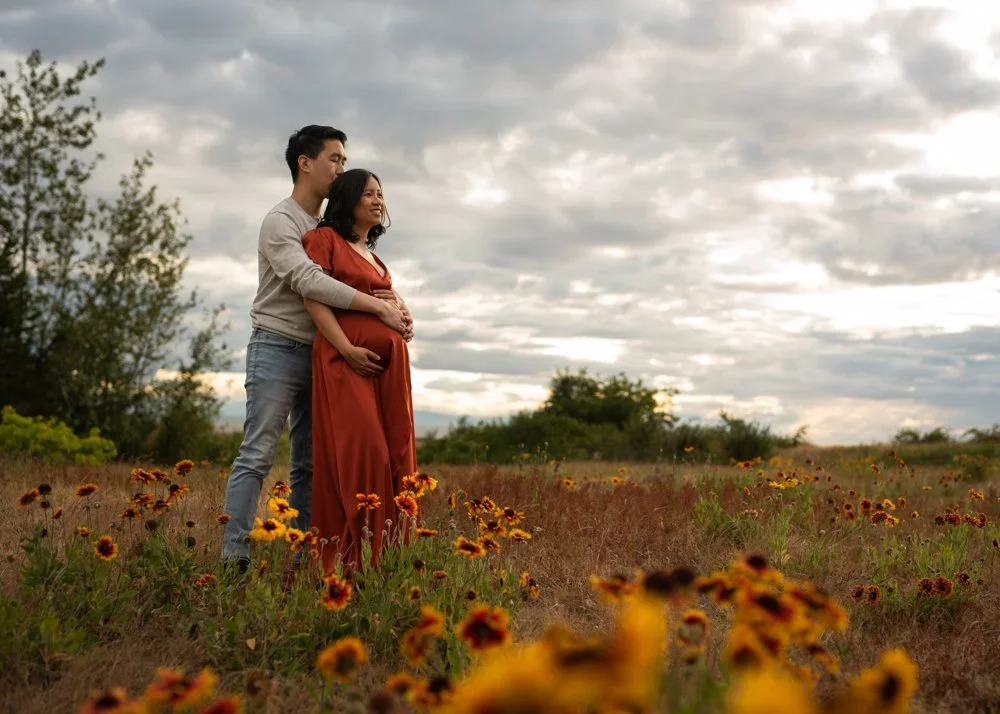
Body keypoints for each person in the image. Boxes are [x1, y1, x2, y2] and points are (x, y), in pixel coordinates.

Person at [222, 126, 412, 573]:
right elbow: (308, 282)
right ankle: (234, 558)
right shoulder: (282, 221)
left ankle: (305, 555)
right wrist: (377, 311)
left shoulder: (334, 228)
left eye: (345, 161)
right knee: (258, 452)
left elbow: (368, 276)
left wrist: (398, 307)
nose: (341, 168)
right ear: (304, 163)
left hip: (324, 356)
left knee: (311, 463)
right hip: (278, 346)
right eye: (334, 159)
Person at [301, 169, 417, 573]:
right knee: (366, 454)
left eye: (381, 194)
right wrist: (346, 348)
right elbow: (313, 296)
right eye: (368, 193)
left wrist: (404, 317)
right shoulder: (324, 240)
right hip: (346, 360)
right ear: (347, 199)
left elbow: (387, 300)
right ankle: (350, 558)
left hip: (390, 369)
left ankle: (390, 557)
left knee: (397, 450)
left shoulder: (376, 257)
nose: (378, 200)